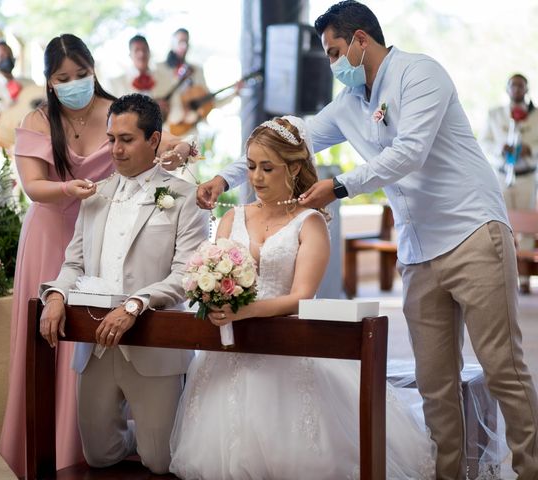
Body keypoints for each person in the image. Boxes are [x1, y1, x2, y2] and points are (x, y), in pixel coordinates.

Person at [196, 2, 538, 478]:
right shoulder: (348, 106)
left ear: (361, 40)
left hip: (472, 232)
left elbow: (409, 152)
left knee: (503, 368)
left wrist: (337, 187)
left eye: (335, 51)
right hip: (419, 250)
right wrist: (221, 178)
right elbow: (283, 140)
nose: (333, 64)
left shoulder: (422, 75)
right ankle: (449, 474)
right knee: (434, 380)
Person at [171, 116, 436, 479]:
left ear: (294, 166)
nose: (256, 178)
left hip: (285, 349)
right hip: (229, 352)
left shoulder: (310, 222)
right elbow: (213, 275)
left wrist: (246, 310)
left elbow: (301, 296)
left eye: (267, 168)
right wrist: (212, 296)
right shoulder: (232, 217)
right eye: (250, 167)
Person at [0, 34, 193, 477]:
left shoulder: (117, 110)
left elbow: (167, 142)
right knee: (53, 333)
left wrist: (182, 152)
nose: (74, 84)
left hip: (117, 226)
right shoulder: (36, 119)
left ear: (93, 70)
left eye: (81, 75)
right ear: (49, 82)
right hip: (56, 229)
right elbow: (33, 186)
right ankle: (58, 448)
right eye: (63, 78)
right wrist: (70, 190)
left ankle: (111, 436)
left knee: (112, 347)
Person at [39, 93, 208, 474]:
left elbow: (185, 274)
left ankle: (157, 435)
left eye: (126, 139)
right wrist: (55, 295)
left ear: (153, 140)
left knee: (160, 461)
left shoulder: (183, 197)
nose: (115, 149)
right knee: (98, 454)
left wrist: (135, 305)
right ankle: (141, 434)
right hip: (96, 344)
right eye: (111, 138)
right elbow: (74, 262)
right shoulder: (94, 195)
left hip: (153, 342)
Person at [480, 73, 538, 293]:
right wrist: (499, 148)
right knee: (501, 223)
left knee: (525, 227)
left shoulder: (536, 115)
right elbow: (484, 141)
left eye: (521, 85)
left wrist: (530, 149)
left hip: (526, 176)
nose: (517, 89)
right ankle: (502, 276)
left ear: (527, 88)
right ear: (507, 89)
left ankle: (523, 278)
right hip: (502, 176)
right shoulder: (495, 115)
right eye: (513, 85)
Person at [107, 34, 173, 118]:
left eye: (144, 49)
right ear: (130, 55)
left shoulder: (164, 78)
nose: (141, 54)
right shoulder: (116, 84)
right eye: (137, 50)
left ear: (149, 52)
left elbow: (177, 113)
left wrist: (166, 111)